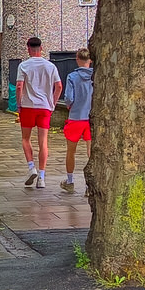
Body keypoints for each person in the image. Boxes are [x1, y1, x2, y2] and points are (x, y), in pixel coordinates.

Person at [16, 36, 62, 188]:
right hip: (44, 108)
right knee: (43, 142)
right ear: (41, 48)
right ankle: (41, 178)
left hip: (28, 106)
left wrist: (18, 105)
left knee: (25, 139)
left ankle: (31, 168)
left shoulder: (24, 65)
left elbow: (19, 86)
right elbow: (59, 86)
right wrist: (52, 104)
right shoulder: (50, 66)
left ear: (28, 48)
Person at [59, 48, 94, 193]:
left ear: (77, 59)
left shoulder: (72, 76)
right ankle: (90, 186)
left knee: (71, 151)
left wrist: (70, 106)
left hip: (76, 117)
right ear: (90, 61)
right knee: (91, 152)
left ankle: (70, 180)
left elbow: (68, 97)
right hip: (91, 117)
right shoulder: (95, 76)